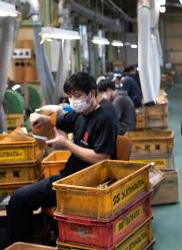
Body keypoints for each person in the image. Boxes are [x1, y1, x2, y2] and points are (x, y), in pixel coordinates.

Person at [4, 72, 118, 246]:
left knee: (19, 199)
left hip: (84, 183)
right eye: (70, 96)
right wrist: (44, 118)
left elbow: (102, 158)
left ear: (92, 93)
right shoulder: (80, 114)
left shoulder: (104, 120)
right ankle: (26, 243)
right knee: (21, 198)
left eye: (77, 95)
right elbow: (61, 120)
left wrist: (67, 144)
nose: (73, 100)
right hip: (69, 177)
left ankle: (18, 247)